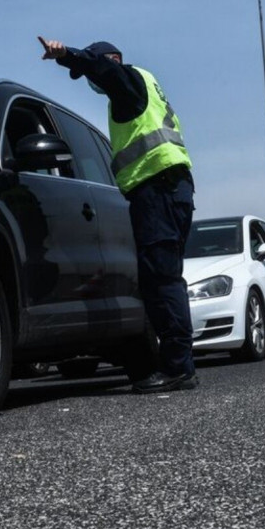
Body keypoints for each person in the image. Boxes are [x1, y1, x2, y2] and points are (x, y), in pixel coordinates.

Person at [38, 36, 198, 394]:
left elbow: (104, 70)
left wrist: (68, 56)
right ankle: (177, 364)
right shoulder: (144, 86)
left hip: (158, 189)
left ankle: (178, 368)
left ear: (110, 60)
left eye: (96, 71)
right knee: (164, 276)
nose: (94, 84)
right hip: (172, 188)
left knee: (162, 280)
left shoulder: (126, 81)